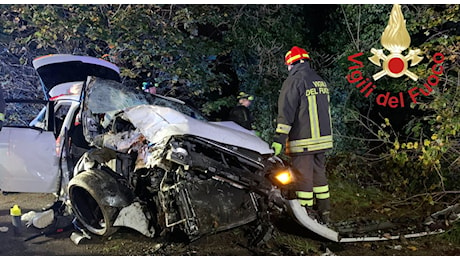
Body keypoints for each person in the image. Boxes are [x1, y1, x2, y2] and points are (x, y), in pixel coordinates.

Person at [271, 46, 333, 224]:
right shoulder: (319, 80)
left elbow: (286, 113)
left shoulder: (294, 81)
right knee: (319, 175)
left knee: (303, 178)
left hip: (303, 140)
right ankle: (324, 211)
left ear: (291, 63)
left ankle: (305, 216)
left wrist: (279, 140)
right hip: (323, 141)